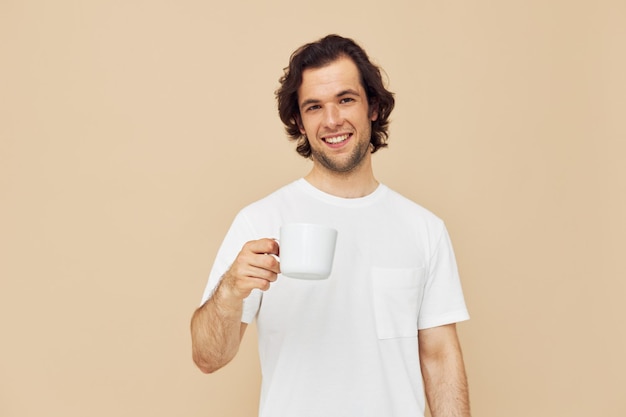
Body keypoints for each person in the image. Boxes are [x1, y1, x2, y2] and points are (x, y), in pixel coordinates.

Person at [190, 34, 471, 417]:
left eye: (345, 99)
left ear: (372, 106)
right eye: (314, 107)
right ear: (299, 122)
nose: (333, 120)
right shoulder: (260, 221)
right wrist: (229, 291)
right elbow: (208, 358)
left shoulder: (424, 229)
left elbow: (440, 358)